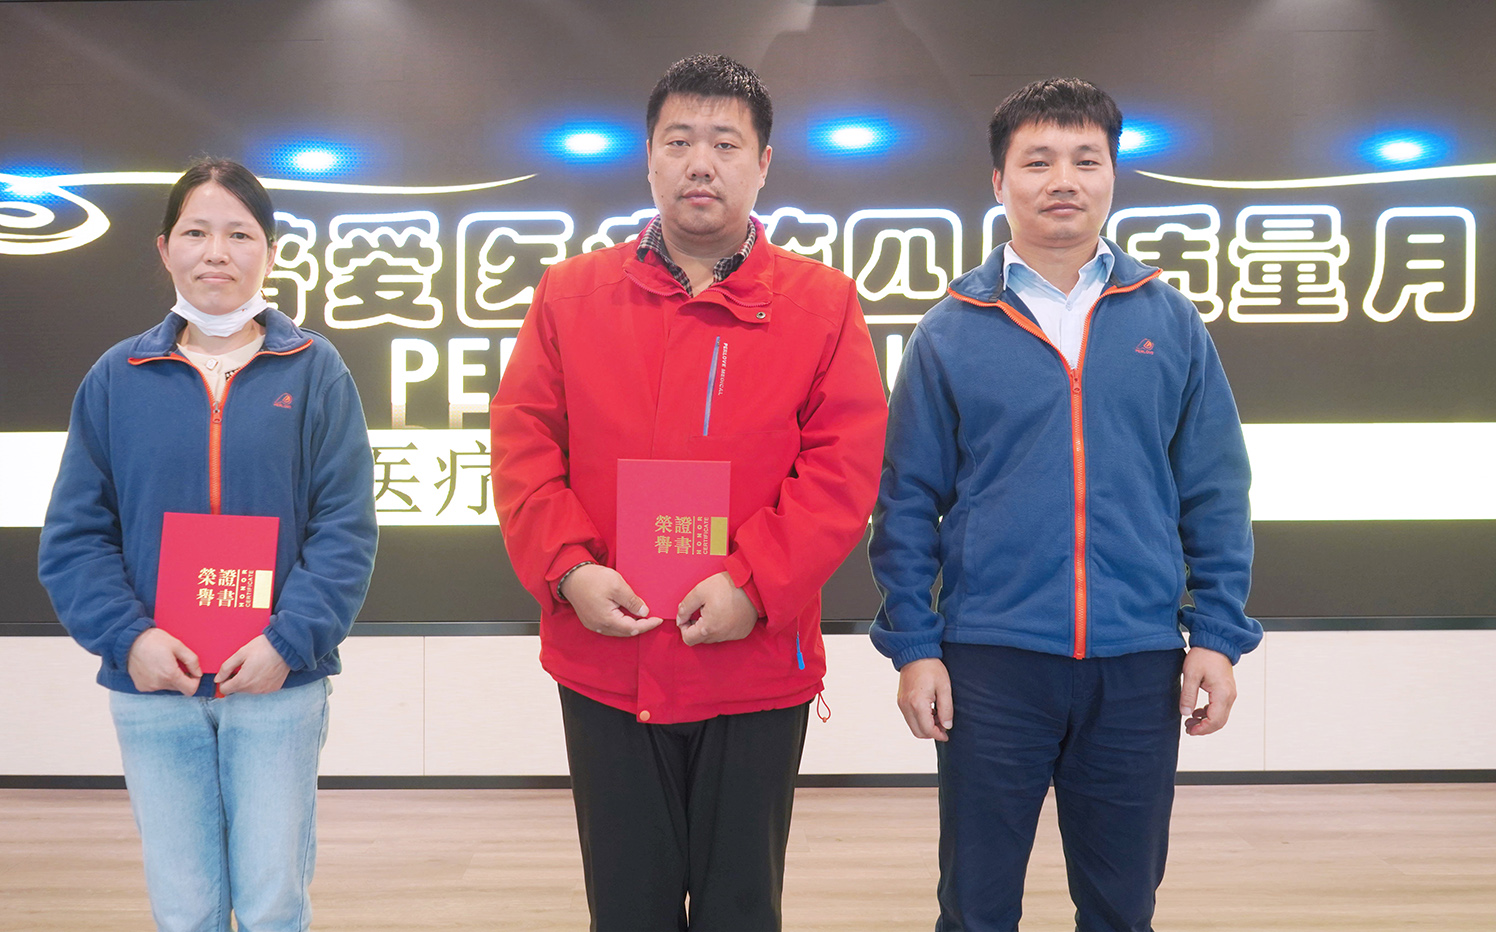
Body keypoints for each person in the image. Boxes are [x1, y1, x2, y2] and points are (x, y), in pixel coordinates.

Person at [491, 53, 887, 931]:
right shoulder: (569, 295)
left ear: (763, 163)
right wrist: (569, 570)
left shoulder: (822, 304)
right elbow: (523, 446)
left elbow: (842, 470)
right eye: (678, 141)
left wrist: (754, 584)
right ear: (649, 158)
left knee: (741, 907)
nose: (699, 163)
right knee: (627, 908)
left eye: (724, 143)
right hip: (608, 655)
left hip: (754, 663)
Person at [869, 78, 1262, 932]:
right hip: (990, 663)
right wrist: (915, 646)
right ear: (998, 180)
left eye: (1086, 160)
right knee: (975, 907)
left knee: (1122, 907)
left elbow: (1216, 492)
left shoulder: (1170, 321)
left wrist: (1217, 635)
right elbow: (905, 504)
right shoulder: (950, 330)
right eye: (1038, 160)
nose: (1063, 180)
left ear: (1113, 175)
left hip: (1137, 662)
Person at [38, 158, 377, 932]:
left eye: (239, 234)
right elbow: (75, 536)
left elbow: (345, 527)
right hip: (155, 686)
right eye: (196, 232)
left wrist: (288, 642)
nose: (216, 252)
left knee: (272, 900)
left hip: (276, 683)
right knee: (184, 905)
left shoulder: (315, 371)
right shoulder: (118, 376)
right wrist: (130, 639)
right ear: (165, 249)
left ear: (271, 252)